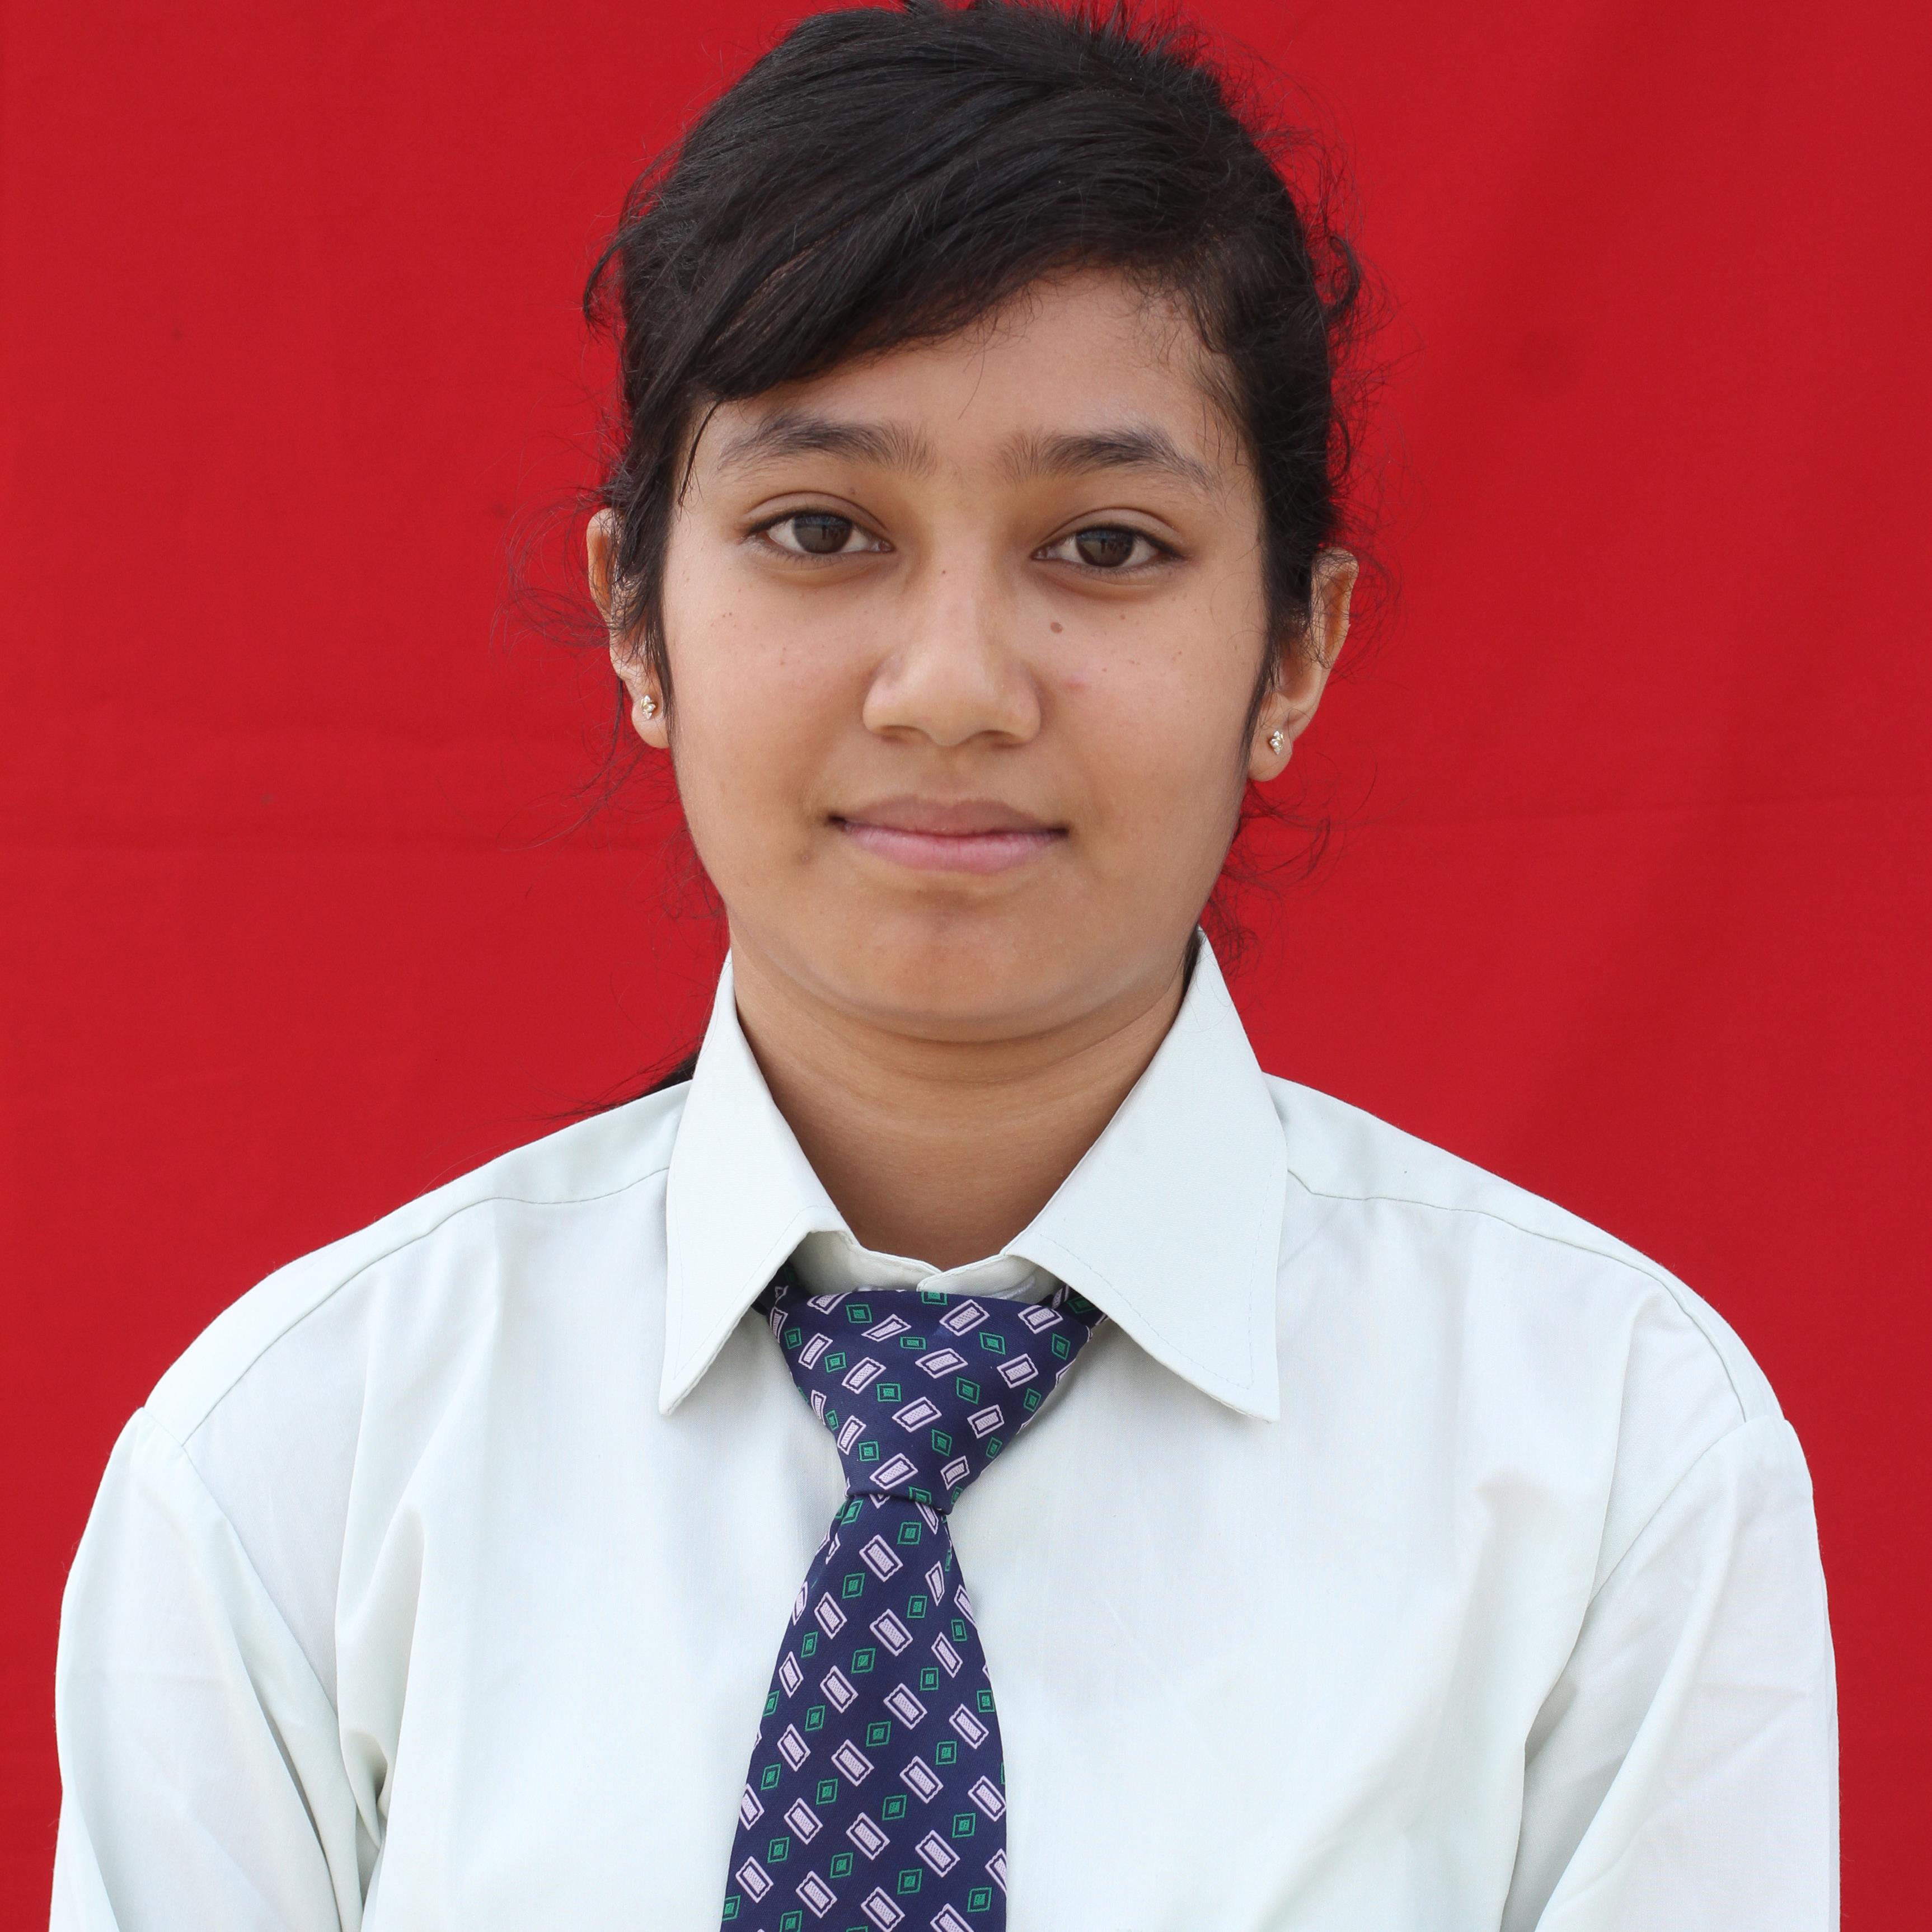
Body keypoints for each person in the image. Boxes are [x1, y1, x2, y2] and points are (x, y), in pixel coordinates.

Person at [49, 2, 1837, 1927]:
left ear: (1294, 650)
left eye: (1107, 546)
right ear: (636, 621)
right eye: (821, 529)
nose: (956, 687)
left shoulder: (1606, 1457)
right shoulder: (296, 1466)